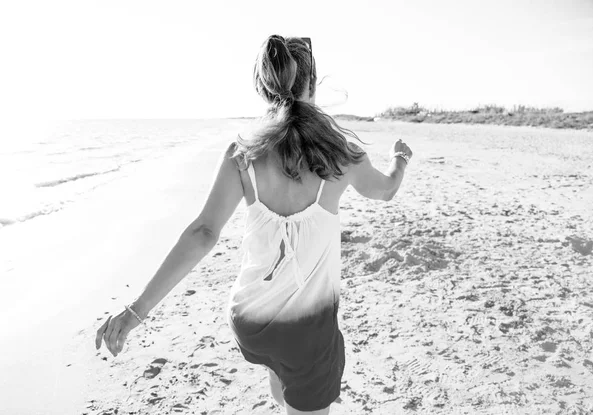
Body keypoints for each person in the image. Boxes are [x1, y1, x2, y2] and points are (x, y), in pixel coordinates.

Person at [95, 34, 413, 414]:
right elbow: (385, 190)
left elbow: (202, 233)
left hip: (249, 322)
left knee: (281, 380)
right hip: (307, 332)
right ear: (312, 85)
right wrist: (400, 160)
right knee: (300, 379)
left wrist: (135, 312)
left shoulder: (242, 154)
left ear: (266, 87)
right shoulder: (342, 155)